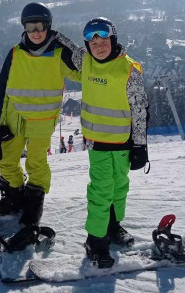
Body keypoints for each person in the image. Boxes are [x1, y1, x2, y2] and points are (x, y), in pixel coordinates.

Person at [56, 17, 149, 268]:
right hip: (97, 142)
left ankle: (113, 226)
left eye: (103, 40)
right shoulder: (85, 62)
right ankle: (96, 241)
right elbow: (67, 47)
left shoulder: (129, 69)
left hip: (124, 142)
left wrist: (140, 145)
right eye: (92, 42)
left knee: (120, 187)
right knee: (101, 190)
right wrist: (51, 32)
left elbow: (139, 108)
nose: (98, 46)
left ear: (113, 40)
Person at [0, 2, 80, 228]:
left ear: (49, 27)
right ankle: (14, 197)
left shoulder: (59, 54)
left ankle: (34, 203)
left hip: (42, 121)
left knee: (36, 163)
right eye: (31, 27)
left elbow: (87, 71)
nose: (36, 32)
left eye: (41, 26)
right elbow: (2, 89)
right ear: (24, 28)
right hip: (12, 118)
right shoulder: (15, 53)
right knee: (7, 160)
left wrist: (69, 44)